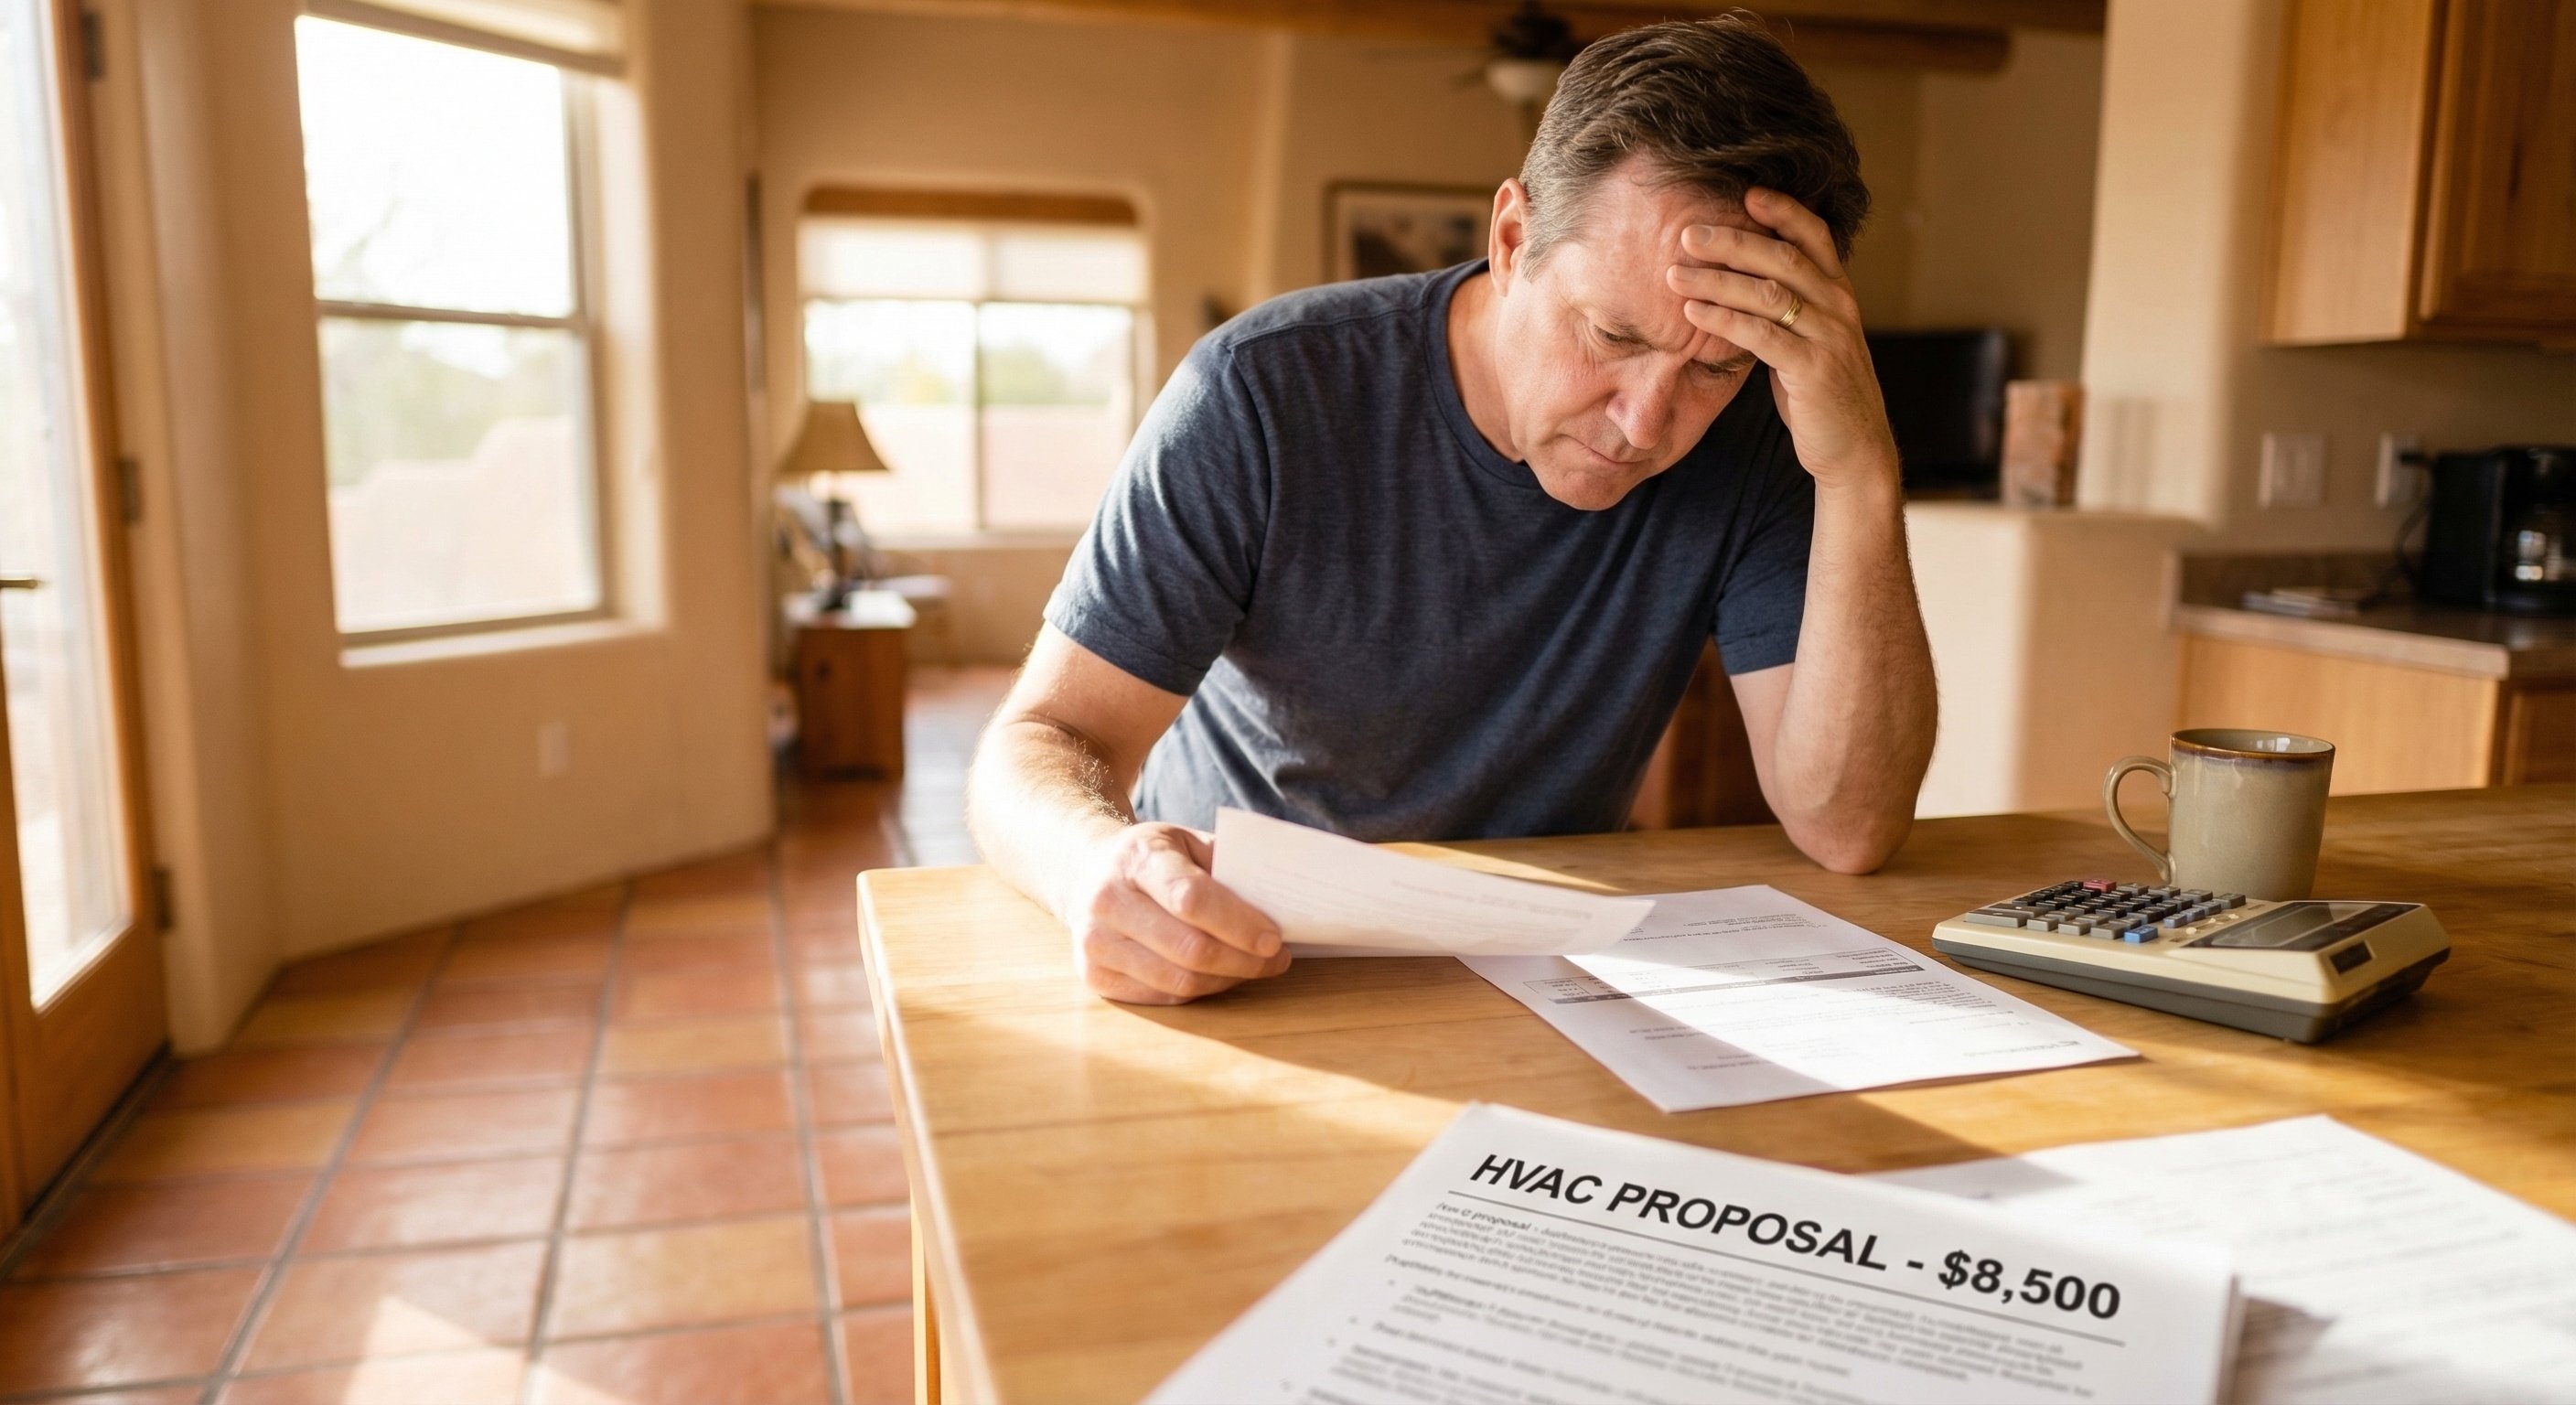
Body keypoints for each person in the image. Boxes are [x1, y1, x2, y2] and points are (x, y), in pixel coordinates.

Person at [967, 16, 1937, 1006]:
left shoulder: (1761, 443)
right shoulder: (1259, 395)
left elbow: (1845, 827)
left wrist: (1859, 467)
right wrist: (1092, 862)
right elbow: (1040, 739)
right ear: (1512, 239)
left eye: (1715, 367)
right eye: (1608, 333)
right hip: (1240, 954)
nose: (1646, 423)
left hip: (1542, 961)